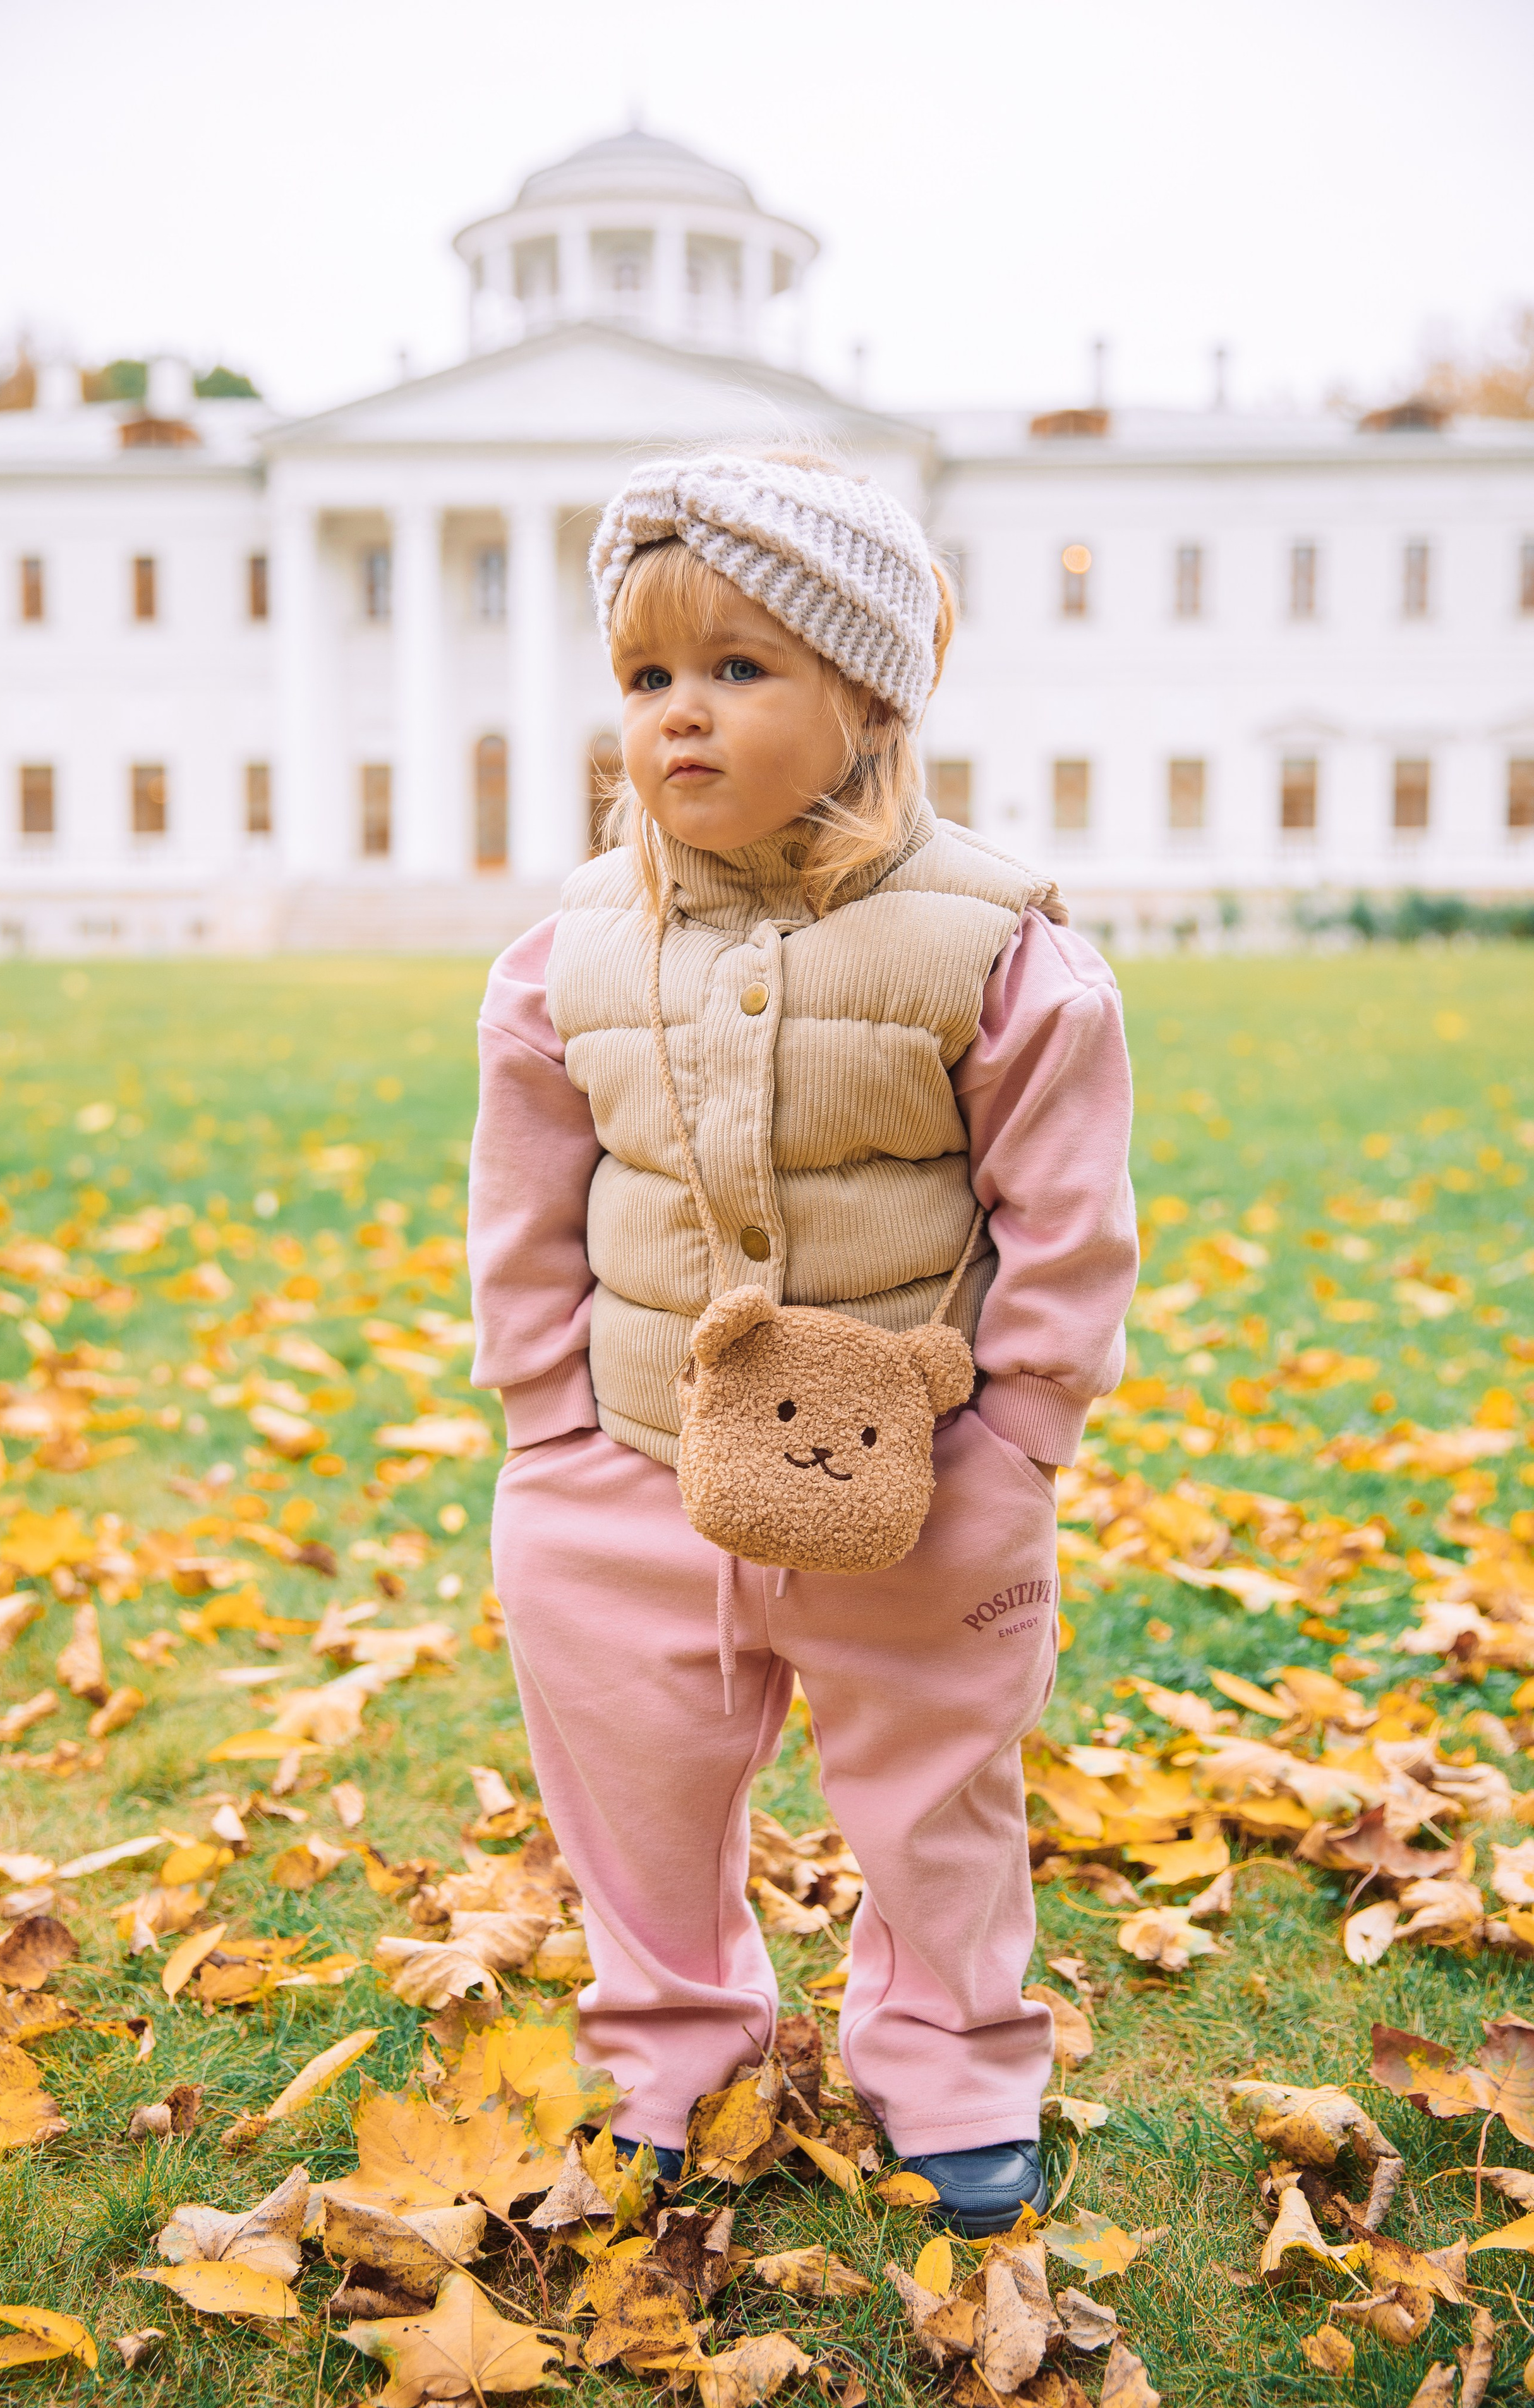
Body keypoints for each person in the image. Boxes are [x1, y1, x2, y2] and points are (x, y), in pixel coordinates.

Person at [468, 449, 1137, 2232]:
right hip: (626, 1460)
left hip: (915, 1477)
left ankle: (953, 2057)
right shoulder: (565, 957)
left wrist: (1016, 1450)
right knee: (639, 1793)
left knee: (933, 1792)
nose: (679, 718)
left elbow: (1067, 1231)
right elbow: (523, 1213)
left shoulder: (1000, 947)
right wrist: (543, 1433)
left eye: (739, 670)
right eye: (646, 679)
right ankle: (673, 2050)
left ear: (869, 692)